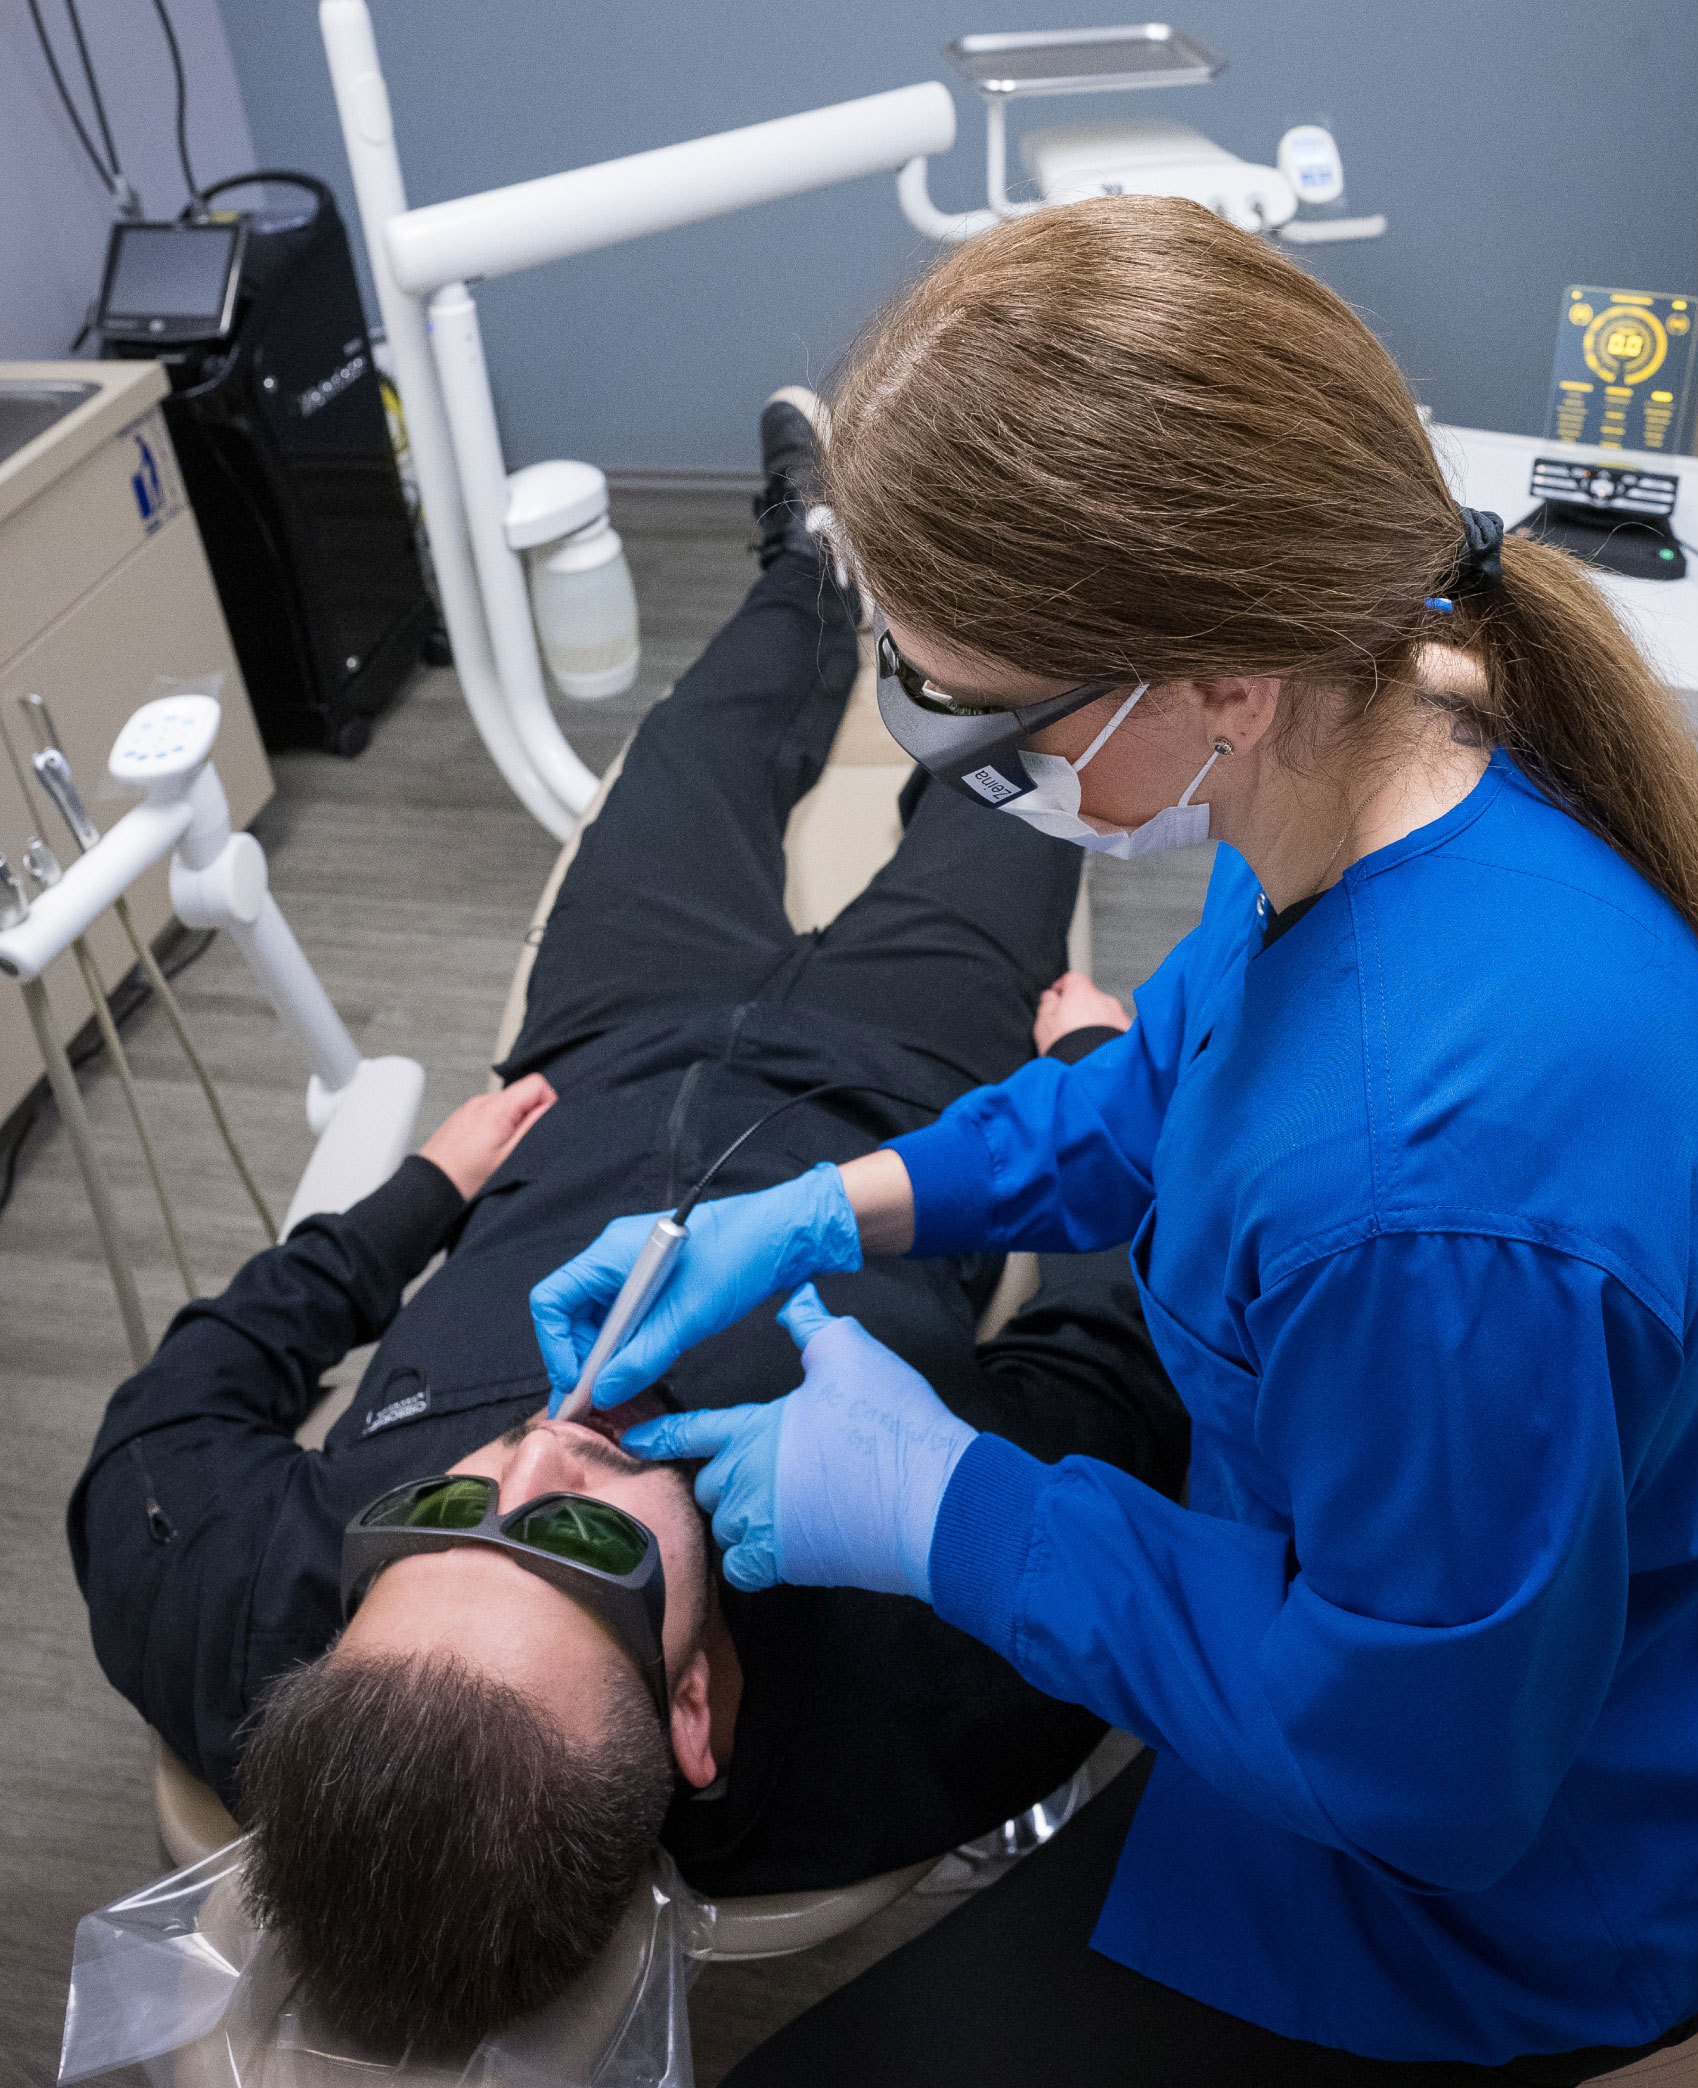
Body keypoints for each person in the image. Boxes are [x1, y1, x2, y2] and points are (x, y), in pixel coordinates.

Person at [535, 199, 1698, 2086]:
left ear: (1219, 682)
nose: (958, 769)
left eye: (986, 730)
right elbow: (1169, 1090)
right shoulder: (1380, 746)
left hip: (1523, 1886)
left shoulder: (1435, 1203)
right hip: (1451, 1635)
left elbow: (1429, 1775)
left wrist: (957, 1516)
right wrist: (827, 1208)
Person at [66, 393, 1187, 2062]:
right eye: (580, 1545)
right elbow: (1115, 1379)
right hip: (920, 1092)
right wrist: (1098, 1111)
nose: (533, 1454)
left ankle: (814, 560)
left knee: (699, 741)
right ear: (695, 1708)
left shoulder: (247, 1618)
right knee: (1018, 759)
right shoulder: (934, 1679)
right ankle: (1013, 589)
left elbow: (176, 1414)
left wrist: (411, 1205)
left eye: (438, 1511)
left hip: (605, 1042)